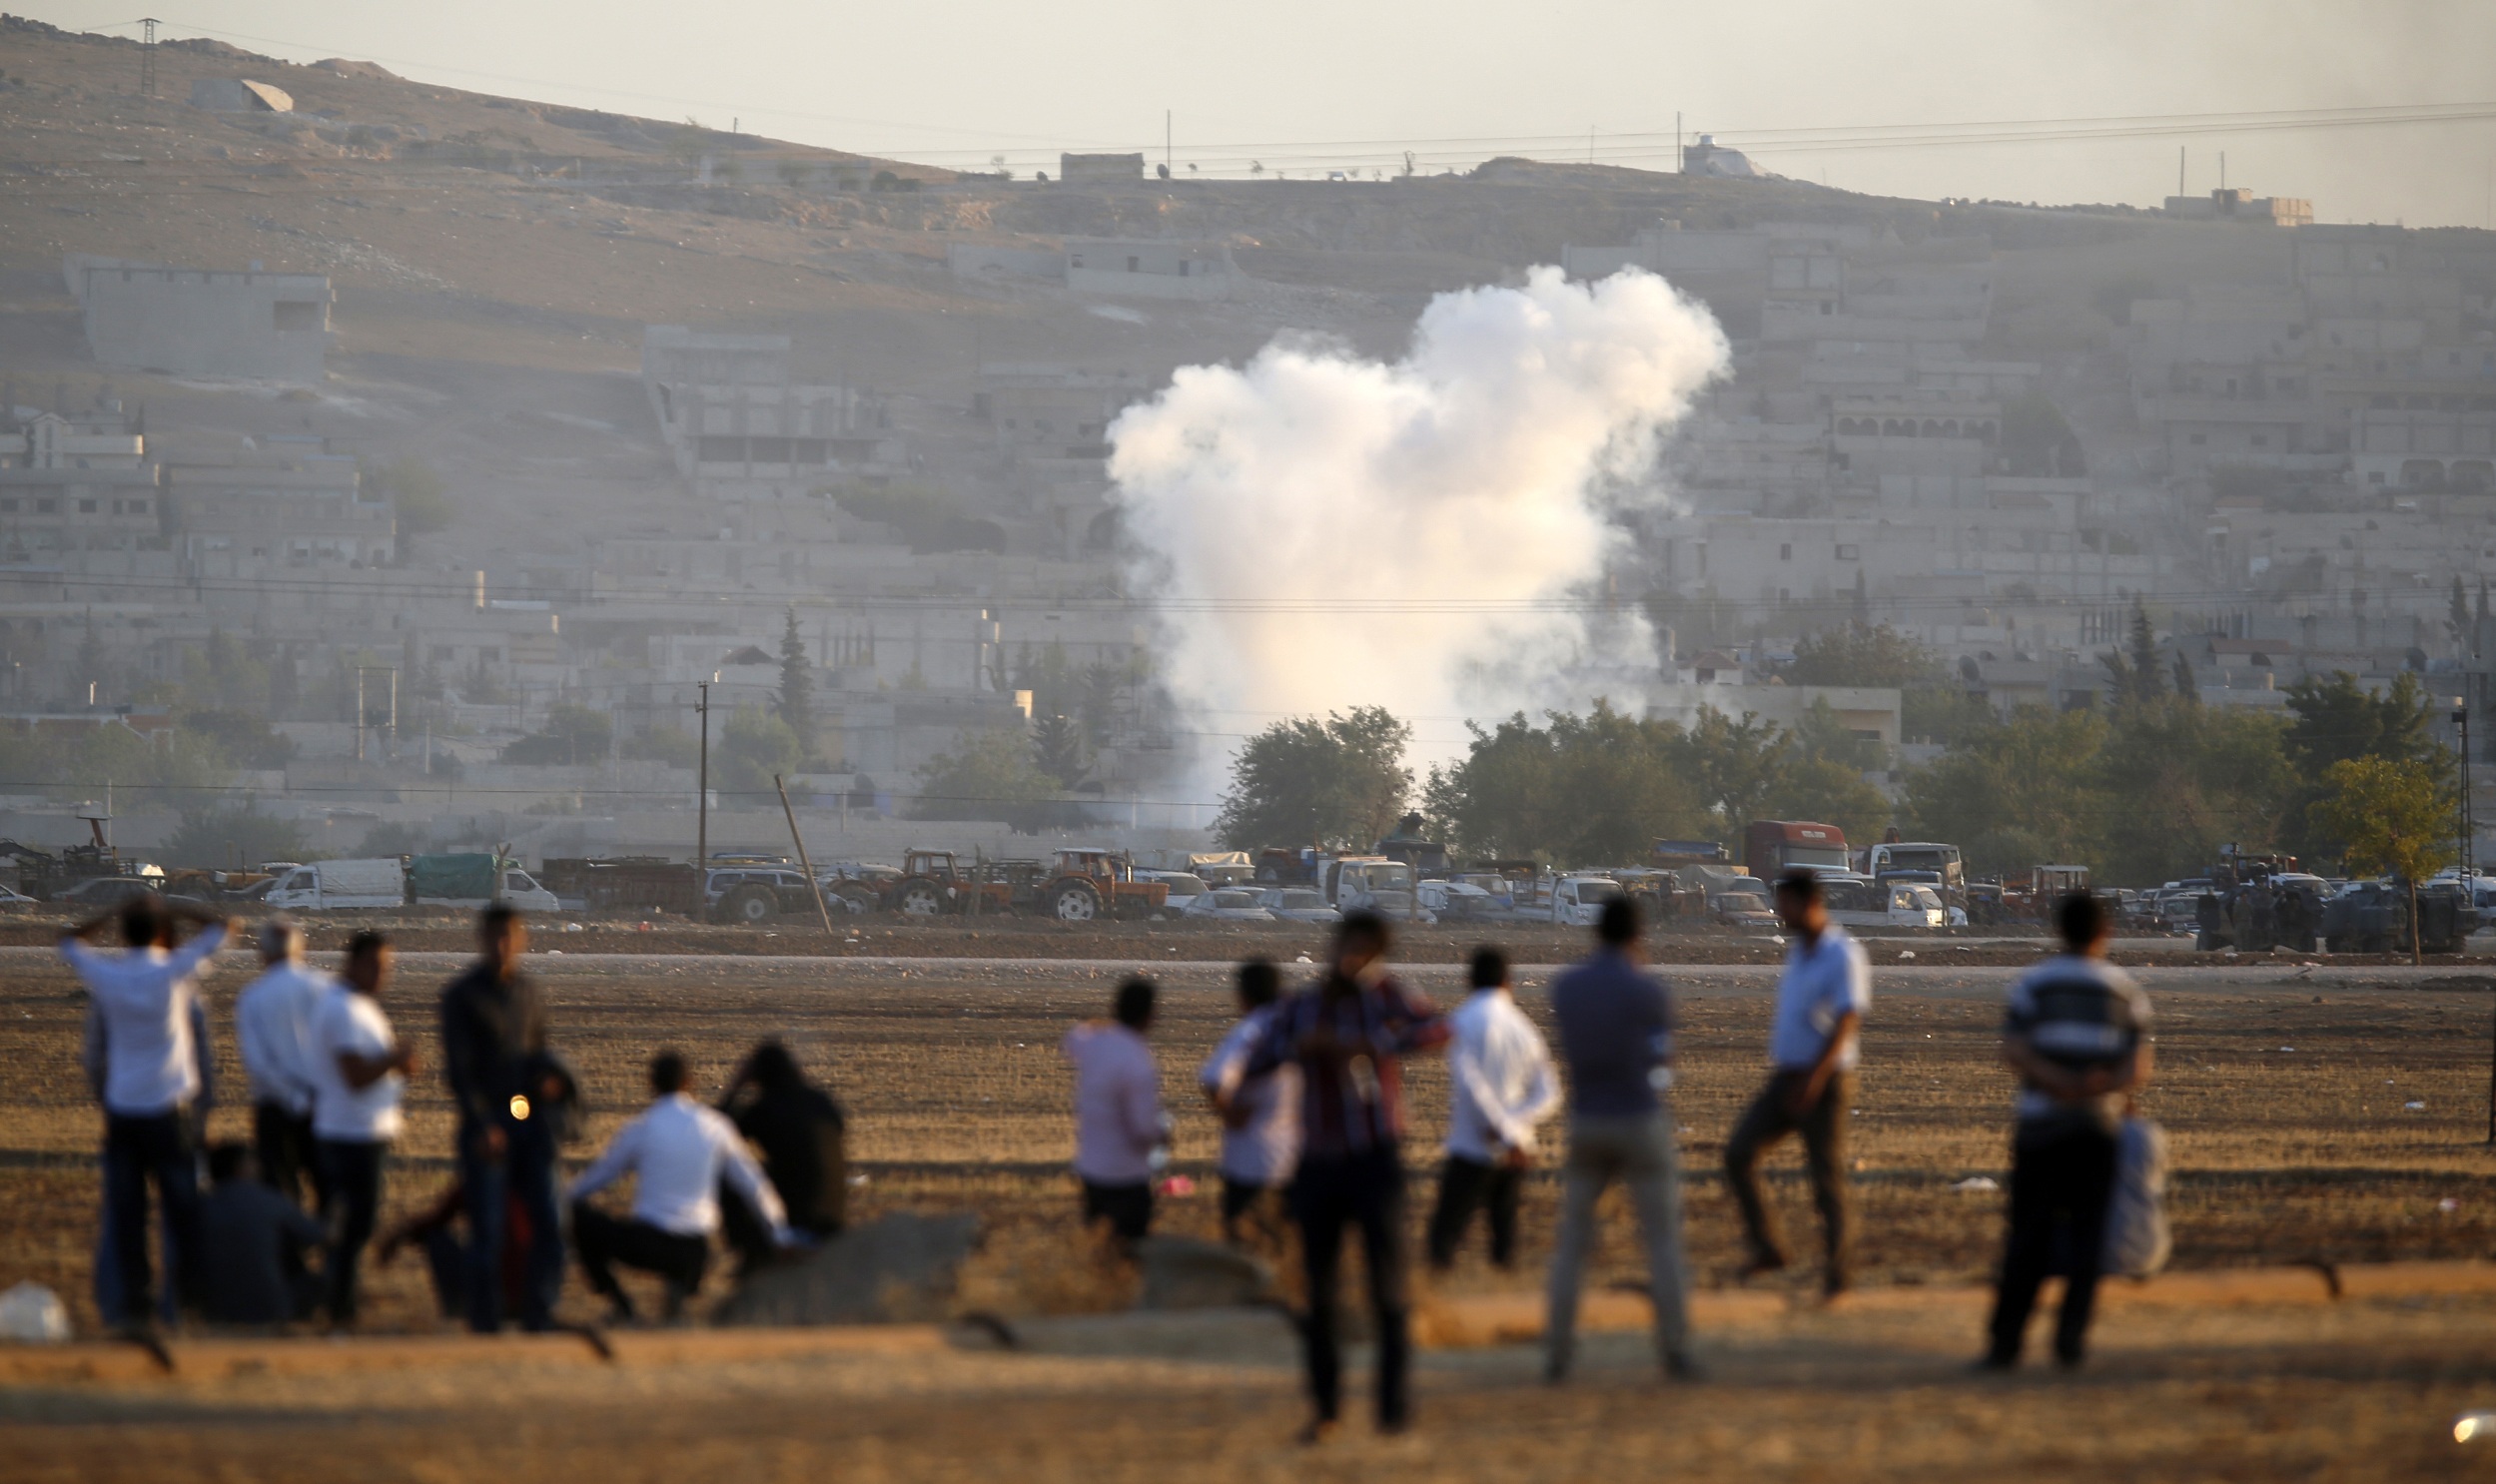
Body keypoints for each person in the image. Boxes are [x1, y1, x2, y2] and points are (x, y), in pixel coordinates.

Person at [1246, 912, 1449, 1442]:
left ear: (1376, 956)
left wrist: (1372, 1045)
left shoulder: (1386, 997)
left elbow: (1438, 1029)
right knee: (1320, 1292)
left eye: (1362, 951)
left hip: (1374, 1159)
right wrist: (1302, 1048)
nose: (1348, 958)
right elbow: (1260, 1054)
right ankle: (1327, 1411)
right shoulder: (1305, 1004)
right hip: (1317, 1164)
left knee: (1387, 1291)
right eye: (1344, 947)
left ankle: (1391, 1413)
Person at [1984, 892, 2154, 1370]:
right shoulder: (2124, 992)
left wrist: (2057, 1083)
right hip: (2098, 1130)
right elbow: (2137, 1068)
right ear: (2105, 933)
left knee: (2027, 1238)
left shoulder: (2034, 985)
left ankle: (2005, 1344)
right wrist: (2094, 1087)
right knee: (2088, 1237)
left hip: (2041, 1127)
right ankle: (2070, 1342)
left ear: (2058, 929)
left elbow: (2015, 1051)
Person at [64, 897, 236, 1331]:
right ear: (160, 933)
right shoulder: (174, 971)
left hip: (123, 1109)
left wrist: (111, 910)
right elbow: (224, 925)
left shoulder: (109, 975)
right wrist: (173, 905)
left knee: (128, 1211)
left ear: (124, 934)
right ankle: (192, 1292)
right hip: (168, 1108)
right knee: (182, 1206)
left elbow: (67, 940)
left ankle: (135, 1301)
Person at [1543, 899, 1696, 1381]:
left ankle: (1558, 1351)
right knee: (1662, 1241)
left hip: (1586, 1118)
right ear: (1638, 936)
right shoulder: (1648, 990)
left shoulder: (1566, 987)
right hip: (1638, 1117)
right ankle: (1673, 1347)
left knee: (1573, 1244)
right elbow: (1660, 1063)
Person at [1725, 870, 1870, 1298]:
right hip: (1786, 1076)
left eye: (1785, 904)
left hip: (1823, 1080)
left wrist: (1817, 1075)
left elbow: (1847, 1019)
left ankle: (1837, 1275)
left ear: (1809, 902)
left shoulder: (1842, 954)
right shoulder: (1798, 953)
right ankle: (1769, 1247)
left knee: (1825, 1179)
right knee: (1738, 1154)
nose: (1779, 913)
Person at [569, 1050, 794, 1322]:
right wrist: (781, 1234)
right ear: (690, 1083)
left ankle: (621, 1304)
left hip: (649, 1243)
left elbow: (601, 1175)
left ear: (651, 1084)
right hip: (697, 1251)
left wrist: (564, 1201)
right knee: (683, 1263)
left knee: (581, 1221)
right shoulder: (715, 1126)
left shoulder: (643, 1127)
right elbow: (754, 1185)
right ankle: (681, 1290)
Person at [440, 905, 564, 1332]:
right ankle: (485, 1318)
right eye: (493, 937)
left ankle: (538, 1310)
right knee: (488, 1229)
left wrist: (550, 1085)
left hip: (530, 1122)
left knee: (549, 1224)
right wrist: (483, 1125)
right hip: (487, 1123)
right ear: (480, 939)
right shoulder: (462, 996)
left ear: (522, 940)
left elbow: (539, 1053)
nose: (501, 946)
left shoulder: (528, 993)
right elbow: (459, 1072)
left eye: (509, 937)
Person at [1427, 946, 1558, 1273]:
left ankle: (1439, 1298)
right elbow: (1550, 1092)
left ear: (1469, 980)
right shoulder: (1524, 1028)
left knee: (1443, 1236)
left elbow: (1470, 1084)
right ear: (1508, 981)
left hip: (1473, 1145)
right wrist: (1513, 1129)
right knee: (1504, 1235)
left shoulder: (1461, 1022)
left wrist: (1499, 1126)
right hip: (1515, 1150)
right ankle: (1504, 1297)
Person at [310, 931, 416, 1327]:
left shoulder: (359, 1005)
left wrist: (396, 1065)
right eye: (375, 965)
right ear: (351, 963)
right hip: (349, 1133)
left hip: (361, 1129)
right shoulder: (343, 1009)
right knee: (354, 1226)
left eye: (387, 967)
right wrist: (394, 1059)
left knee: (354, 1226)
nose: (382, 974)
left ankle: (341, 1302)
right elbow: (354, 1074)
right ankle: (339, 1305)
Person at [717, 1040, 846, 1274]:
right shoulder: (821, 1100)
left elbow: (715, 1134)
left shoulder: (766, 1108)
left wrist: (736, 1086)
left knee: (729, 1174)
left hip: (797, 1220)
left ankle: (750, 1250)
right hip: (835, 1218)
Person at [1199, 959, 1299, 1249]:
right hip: (1296, 1160)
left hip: (1250, 1161)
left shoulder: (1252, 1030)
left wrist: (1229, 1113)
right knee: (1285, 1244)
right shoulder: (1298, 1028)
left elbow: (1215, 1078)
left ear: (1243, 995)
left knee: (1244, 1246)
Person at [233, 918, 330, 1210]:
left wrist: (291, 1097)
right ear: (301, 949)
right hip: (322, 1104)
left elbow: (257, 1063)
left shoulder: (253, 996)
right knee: (327, 1185)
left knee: (278, 1188)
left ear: (263, 952)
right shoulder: (326, 987)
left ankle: (290, 1251)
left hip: (275, 1107)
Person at [1061, 978, 1165, 1248]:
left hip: (1092, 1169)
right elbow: (1142, 1129)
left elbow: (1072, 1038)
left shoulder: (1096, 1045)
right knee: (1129, 1249)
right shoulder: (1138, 1061)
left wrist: (1104, 1025)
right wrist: (1162, 1135)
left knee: (1098, 1244)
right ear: (1150, 1015)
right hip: (1126, 1174)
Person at [197, 1142, 325, 1327]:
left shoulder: (201, 1206)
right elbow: (318, 1236)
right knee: (318, 1281)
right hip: (270, 1308)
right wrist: (339, 1213)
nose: (258, 1166)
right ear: (240, 1167)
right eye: (252, 1161)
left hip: (215, 1309)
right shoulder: (270, 1200)